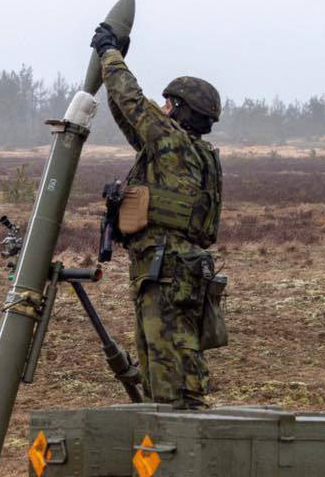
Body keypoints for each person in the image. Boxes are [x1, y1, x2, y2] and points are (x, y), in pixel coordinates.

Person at [90, 23, 224, 410]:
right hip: (164, 270)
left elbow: (133, 101)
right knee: (157, 368)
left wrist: (109, 54)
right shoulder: (176, 151)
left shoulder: (175, 144)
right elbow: (128, 114)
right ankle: (165, 440)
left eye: (169, 105)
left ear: (181, 112)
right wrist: (110, 65)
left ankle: (182, 440)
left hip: (168, 272)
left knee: (172, 376)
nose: (162, 110)